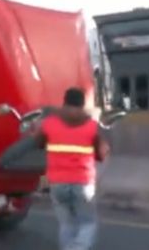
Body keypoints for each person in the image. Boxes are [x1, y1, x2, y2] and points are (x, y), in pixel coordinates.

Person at [34, 87, 110, 250]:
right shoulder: (91, 126)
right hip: (83, 182)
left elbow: (38, 143)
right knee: (87, 222)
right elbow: (102, 154)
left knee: (66, 224)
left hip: (57, 182)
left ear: (65, 102)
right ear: (82, 104)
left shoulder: (50, 123)